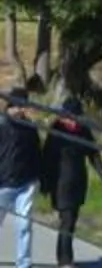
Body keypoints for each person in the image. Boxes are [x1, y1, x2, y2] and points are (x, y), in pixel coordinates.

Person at [39, 103, 102, 268]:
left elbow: (93, 154)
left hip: (78, 182)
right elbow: (47, 158)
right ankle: (65, 260)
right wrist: (45, 183)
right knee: (67, 221)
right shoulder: (56, 130)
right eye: (69, 118)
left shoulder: (83, 131)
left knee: (70, 221)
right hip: (60, 183)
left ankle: (64, 258)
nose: (73, 122)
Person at [0, 88, 41, 268]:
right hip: (3, 183)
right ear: (10, 106)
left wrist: (38, 177)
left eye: (23, 106)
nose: (20, 110)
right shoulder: (1, 124)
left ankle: (23, 263)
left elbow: (36, 153)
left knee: (24, 225)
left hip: (26, 184)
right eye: (18, 106)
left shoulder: (30, 127)